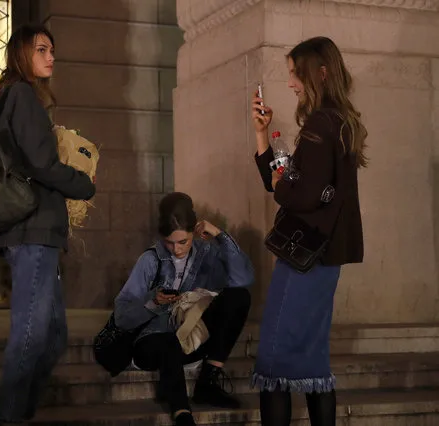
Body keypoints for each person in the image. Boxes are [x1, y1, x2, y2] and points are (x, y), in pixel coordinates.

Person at [0, 25, 96, 425]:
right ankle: (10, 418)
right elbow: (42, 164)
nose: (50, 57)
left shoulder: (1, 98)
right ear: (20, 54)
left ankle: (20, 413)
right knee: (31, 334)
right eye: (41, 49)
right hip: (32, 230)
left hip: (29, 230)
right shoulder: (22, 96)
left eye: (52, 50)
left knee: (53, 335)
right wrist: (83, 184)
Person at [250, 36, 367, 426]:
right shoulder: (340, 122)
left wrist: (285, 184)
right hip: (324, 257)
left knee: (273, 360)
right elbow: (301, 184)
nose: (291, 83)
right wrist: (264, 138)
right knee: (313, 360)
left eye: (295, 74)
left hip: (305, 259)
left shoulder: (320, 123)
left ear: (320, 72)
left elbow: (301, 193)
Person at [113, 192, 254, 426]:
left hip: (191, 338)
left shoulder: (205, 253)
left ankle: (207, 382)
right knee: (166, 340)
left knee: (239, 296)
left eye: (183, 242)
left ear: (194, 233)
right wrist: (153, 302)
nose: (176, 249)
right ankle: (182, 413)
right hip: (151, 344)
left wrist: (219, 235)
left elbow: (243, 278)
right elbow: (121, 314)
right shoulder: (149, 261)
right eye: (170, 242)